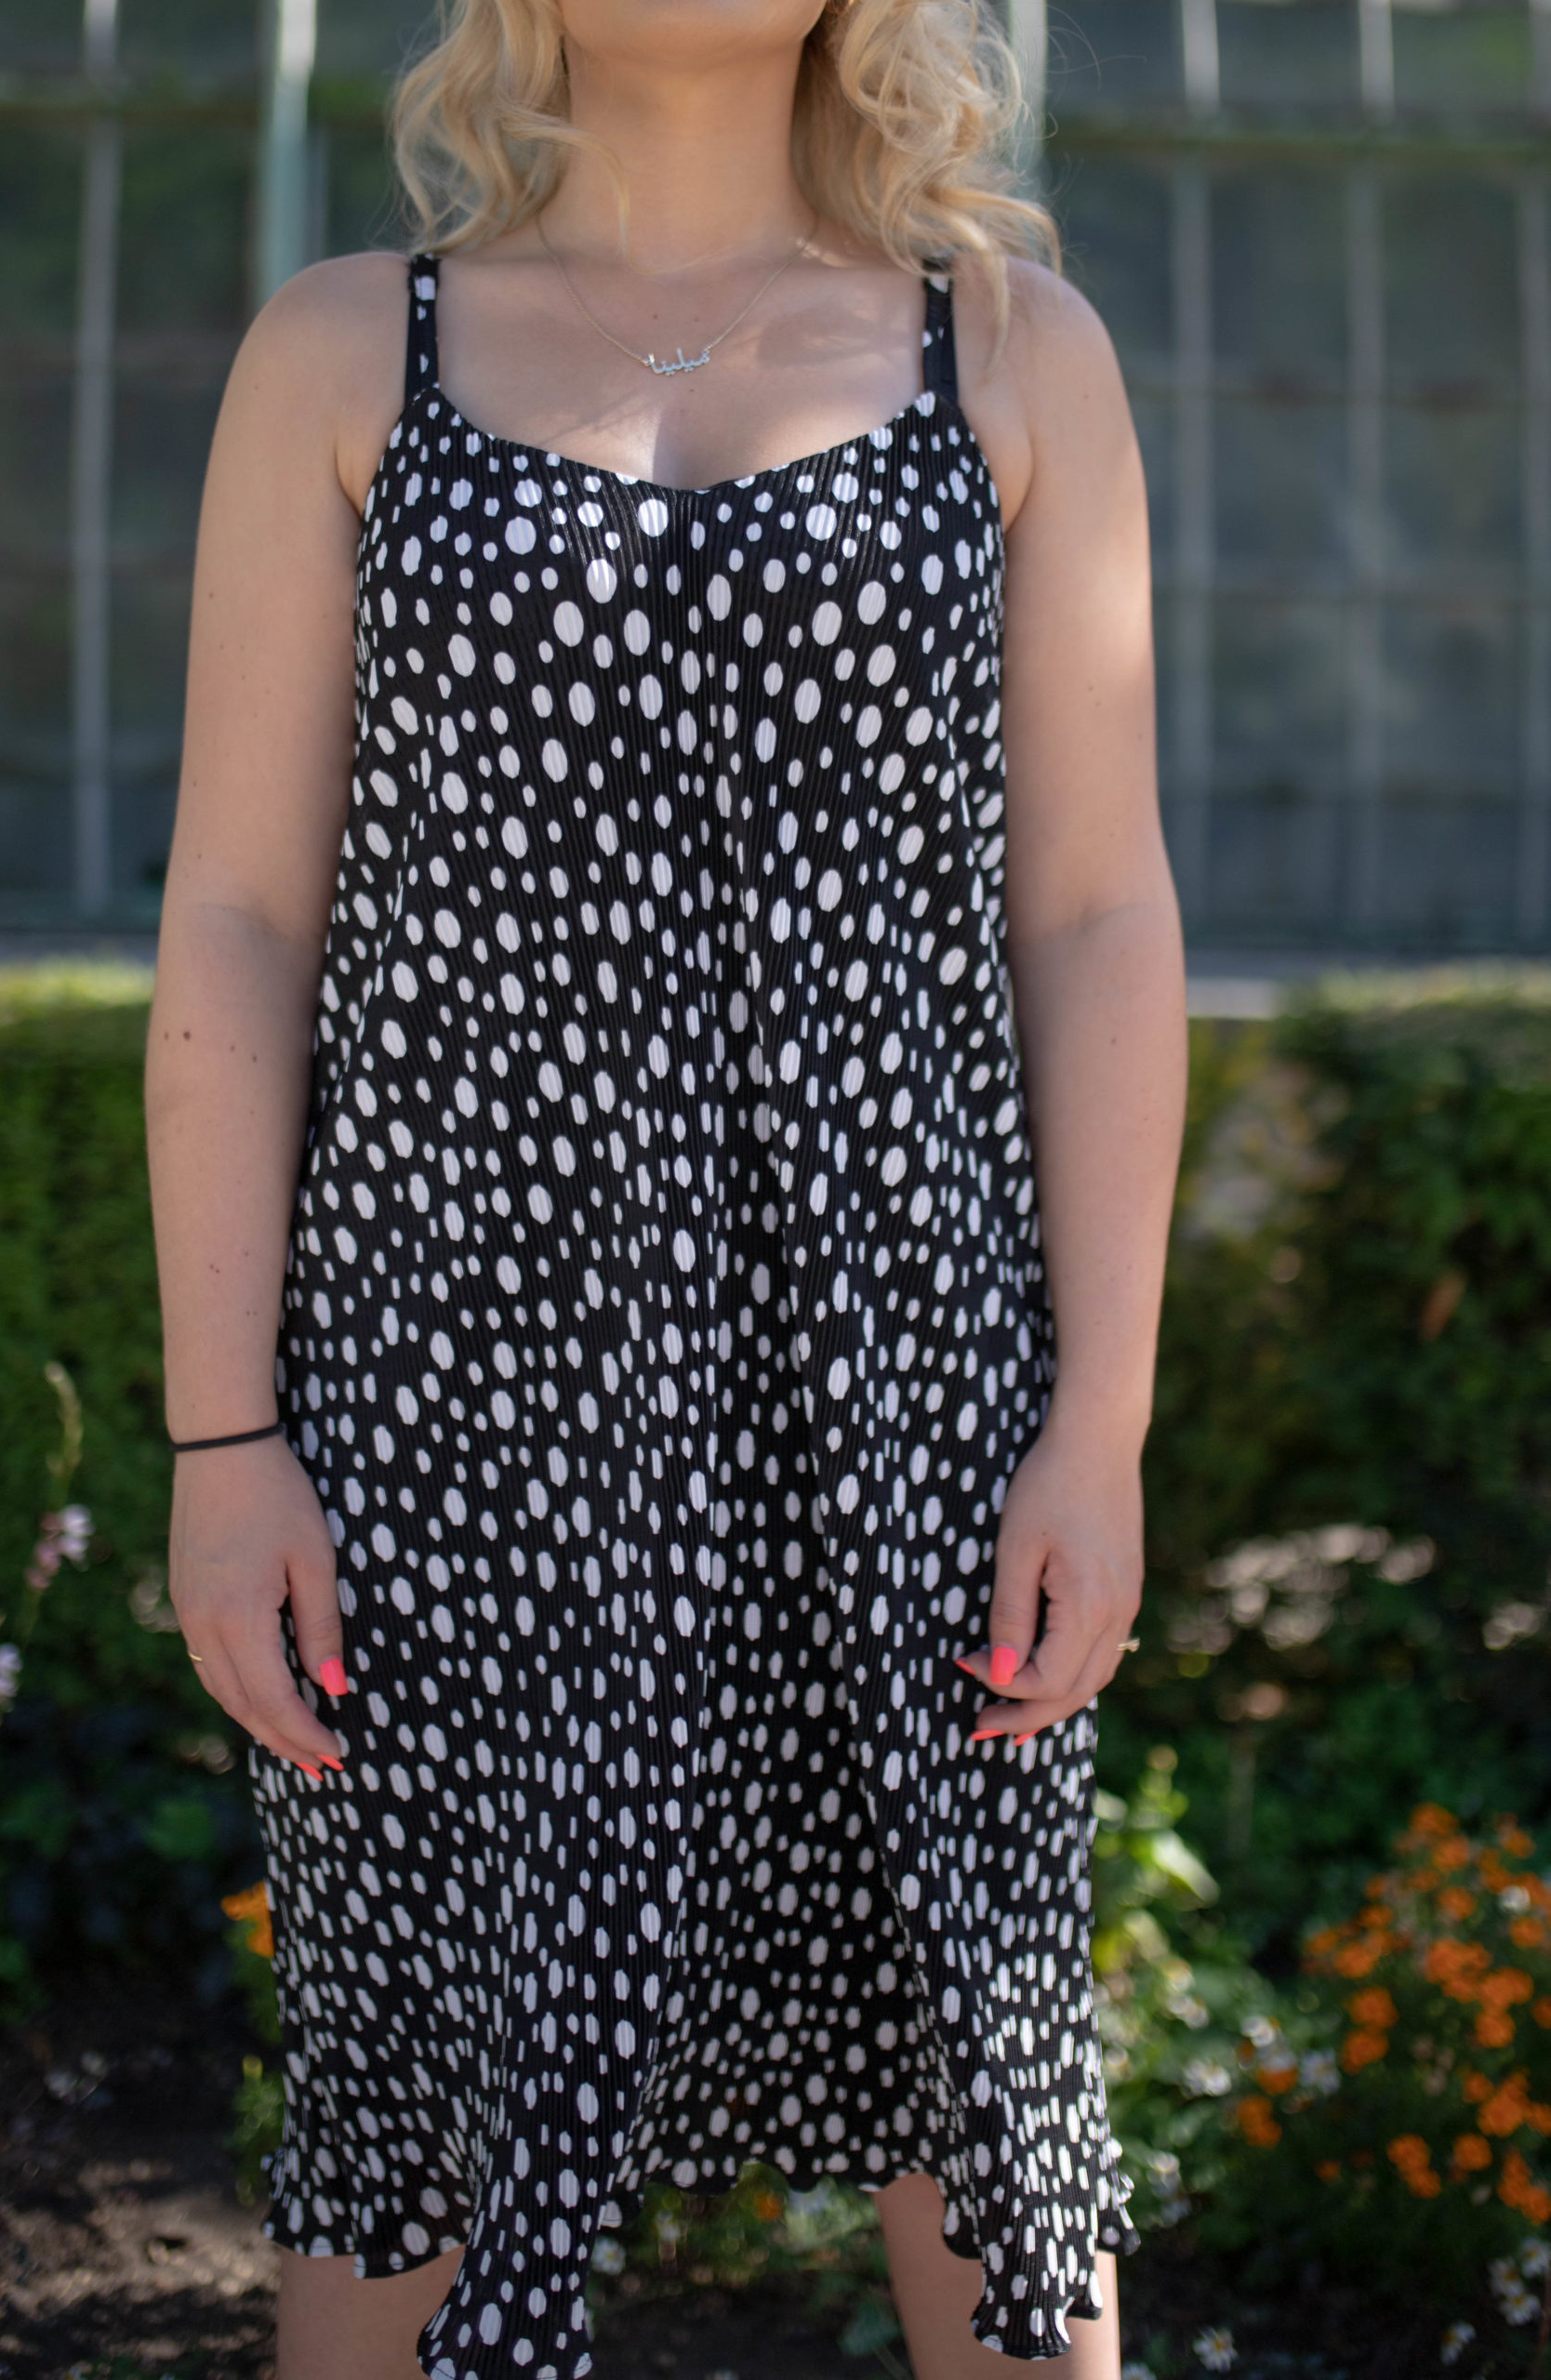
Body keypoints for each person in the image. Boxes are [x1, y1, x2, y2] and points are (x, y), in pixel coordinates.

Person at [144, 3, 1186, 2374]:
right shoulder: (344, 352)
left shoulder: (1011, 353)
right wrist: (226, 1436)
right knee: (415, 2096)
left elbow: (1094, 916)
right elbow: (240, 917)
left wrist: (1097, 1422)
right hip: (454, 1392)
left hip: (899, 1384)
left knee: (989, 2082)